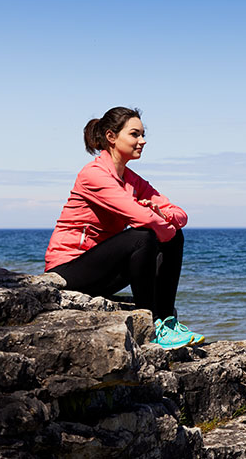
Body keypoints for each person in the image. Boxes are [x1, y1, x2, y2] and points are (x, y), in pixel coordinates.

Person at [45, 106, 204, 349]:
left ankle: (166, 321)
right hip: (69, 269)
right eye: (135, 134)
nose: (143, 140)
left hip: (102, 271)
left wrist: (163, 215)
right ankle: (150, 324)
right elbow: (142, 219)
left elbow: (181, 214)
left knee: (172, 236)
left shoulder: (132, 180)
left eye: (142, 134)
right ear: (111, 137)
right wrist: (158, 219)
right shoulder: (94, 175)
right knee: (143, 237)